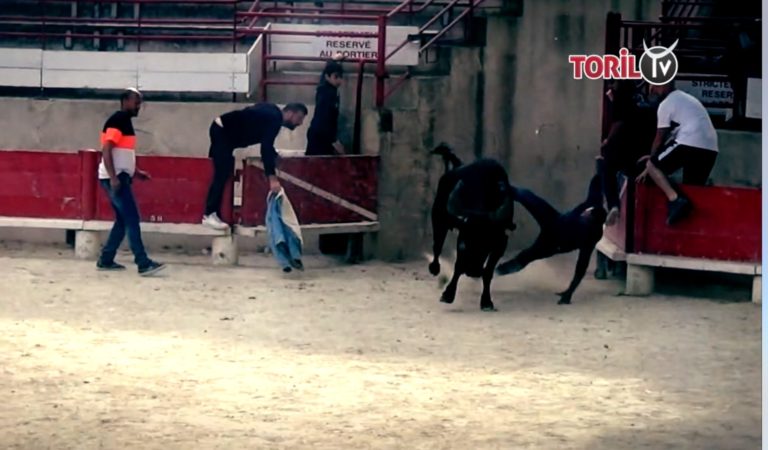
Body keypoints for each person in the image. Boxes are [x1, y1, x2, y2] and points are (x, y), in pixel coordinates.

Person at [495, 175, 606, 305]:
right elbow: (597, 181)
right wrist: (604, 168)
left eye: (586, 217)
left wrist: (569, 292)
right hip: (553, 220)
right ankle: (499, 187)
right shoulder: (593, 203)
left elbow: (582, 265)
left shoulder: (592, 235)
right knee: (527, 196)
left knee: (525, 257)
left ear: (591, 222)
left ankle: (495, 273)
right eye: (586, 211)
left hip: (553, 244)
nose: (584, 213)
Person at [202, 102, 308, 230]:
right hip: (223, 132)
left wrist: (273, 153)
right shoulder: (275, 119)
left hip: (222, 129)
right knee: (221, 173)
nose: (300, 123)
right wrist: (272, 178)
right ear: (291, 113)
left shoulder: (272, 110)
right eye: (300, 118)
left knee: (222, 171)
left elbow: (264, 140)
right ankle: (208, 214)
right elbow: (266, 148)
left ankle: (215, 213)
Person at [96, 88, 165, 276]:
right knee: (132, 218)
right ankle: (142, 262)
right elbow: (106, 149)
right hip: (116, 178)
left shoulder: (122, 121)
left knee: (122, 220)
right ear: (125, 101)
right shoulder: (118, 120)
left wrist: (136, 172)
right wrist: (114, 177)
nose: (138, 106)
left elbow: (121, 154)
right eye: (136, 102)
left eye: (139, 103)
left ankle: (106, 259)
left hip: (117, 176)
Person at [636, 81, 719, 225]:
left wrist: (650, 165)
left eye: (655, 86)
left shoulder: (666, 104)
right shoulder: (685, 99)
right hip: (710, 148)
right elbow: (672, 143)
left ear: (666, 84)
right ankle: (691, 227)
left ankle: (674, 199)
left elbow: (659, 138)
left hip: (690, 142)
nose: (652, 90)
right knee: (693, 189)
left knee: (654, 166)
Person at [599, 79, 657, 225]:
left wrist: (608, 142)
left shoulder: (621, 101)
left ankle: (613, 205)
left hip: (626, 151)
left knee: (606, 168)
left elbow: (619, 125)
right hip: (644, 153)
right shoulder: (646, 103)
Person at [306, 59, 344, 156]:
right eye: (336, 77)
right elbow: (325, 117)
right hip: (321, 135)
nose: (339, 80)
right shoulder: (327, 93)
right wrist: (333, 140)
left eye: (340, 77)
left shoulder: (326, 89)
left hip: (320, 134)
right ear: (327, 77)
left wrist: (332, 60)